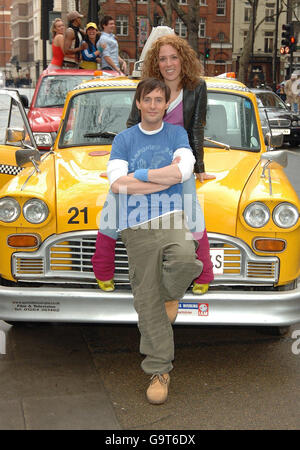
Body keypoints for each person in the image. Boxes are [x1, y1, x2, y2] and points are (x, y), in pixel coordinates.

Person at [92, 34, 214, 297]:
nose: (169, 63)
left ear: (183, 59)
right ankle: (102, 267)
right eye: (162, 59)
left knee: (191, 204)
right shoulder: (150, 87)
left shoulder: (196, 86)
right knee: (113, 200)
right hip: (143, 155)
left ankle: (204, 271)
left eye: (173, 57)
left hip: (177, 158)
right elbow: (132, 123)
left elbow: (196, 127)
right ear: (156, 63)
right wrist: (118, 163)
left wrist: (198, 166)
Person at [107, 77, 203, 404]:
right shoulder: (123, 140)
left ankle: (170, 294)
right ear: (138, 103)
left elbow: (184, 172)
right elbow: (118, 184)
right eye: (147, 99)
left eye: (158, 100)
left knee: (186, 260)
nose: (152, 105)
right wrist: (165, 177)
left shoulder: (177, 134)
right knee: (145, 299)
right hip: (133, 223)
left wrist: (144, 177)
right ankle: (159, 370)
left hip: (172, 215)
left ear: (165, 104)